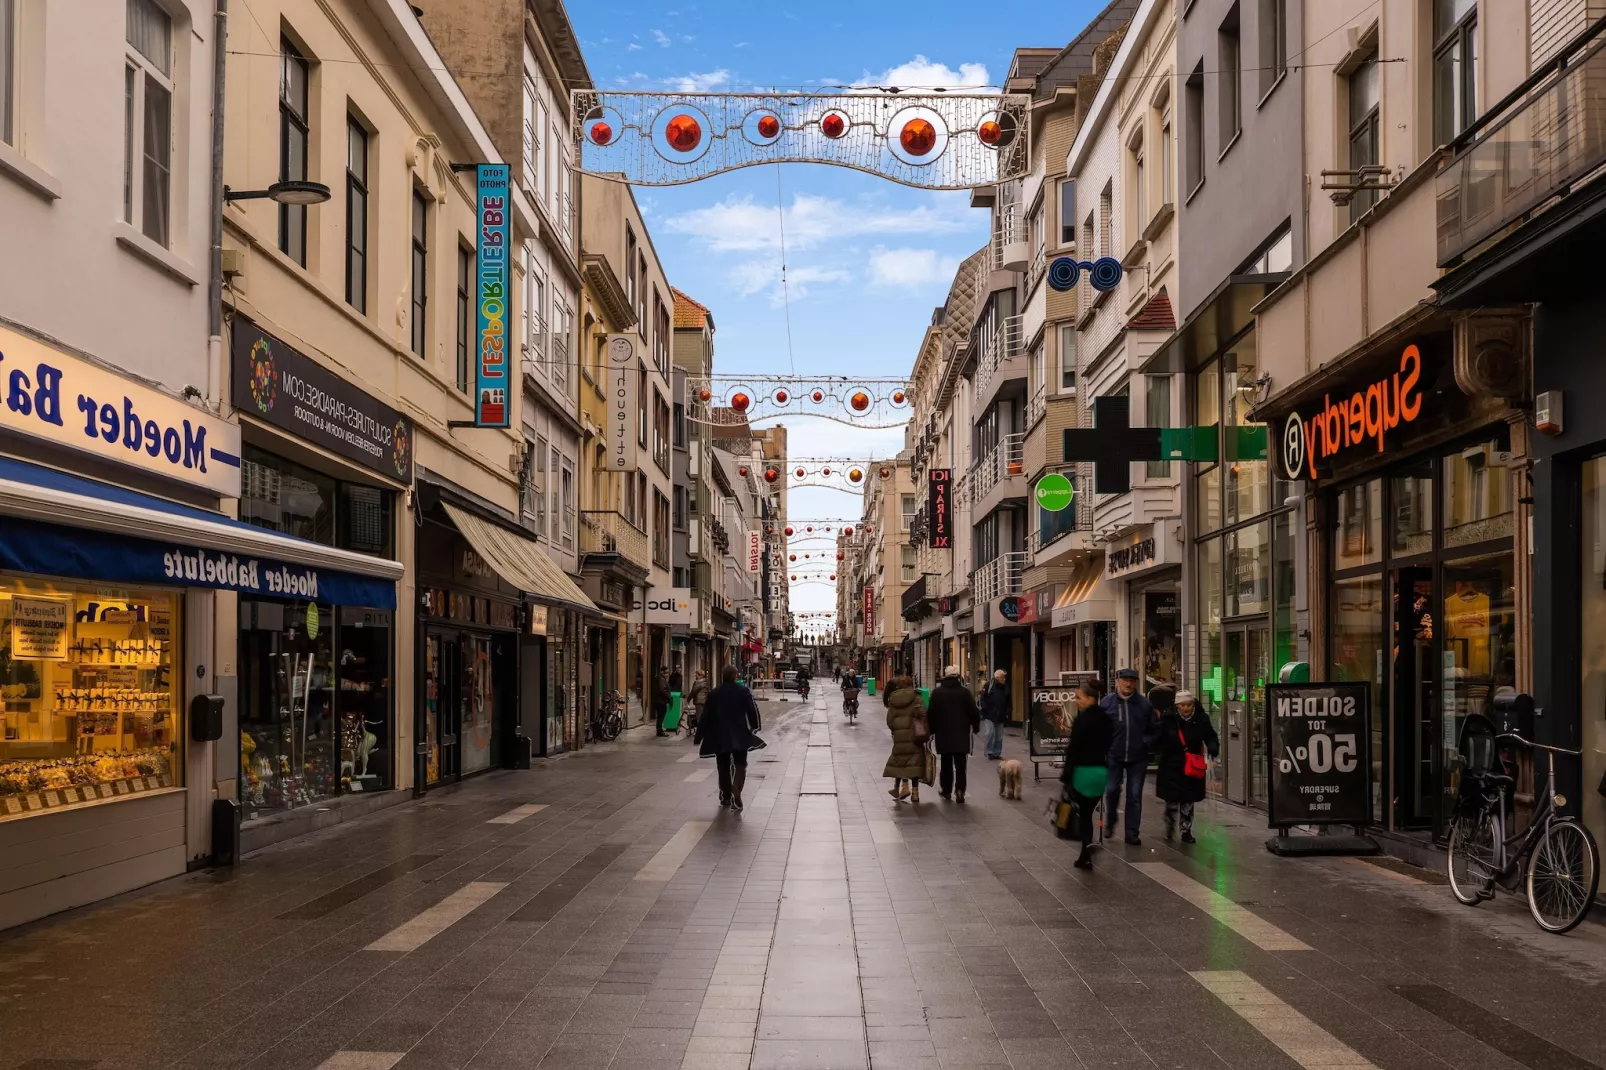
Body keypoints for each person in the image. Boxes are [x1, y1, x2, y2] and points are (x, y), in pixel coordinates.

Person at [1103, 667, 1161, 845]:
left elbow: (1156, 729)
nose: (1128, 684)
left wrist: (1146, 741)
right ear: (1118, 682)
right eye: (1125, 680)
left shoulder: (1144, 704)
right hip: (1114, 755)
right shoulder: (1107, 703)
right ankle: (1110, 822)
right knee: (1112, 790)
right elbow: (1099, 728)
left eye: (1132, 681)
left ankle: (1132, 832)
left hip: (1138, 757)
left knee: (1134, 794)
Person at [694, 664, 764, 811]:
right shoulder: (743, 691)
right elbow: (752, 710)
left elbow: (706, 716)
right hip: (739, 732)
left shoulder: (714, 693)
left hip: (720, 734)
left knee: (723, 765)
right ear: (735, 676)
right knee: (740, 764)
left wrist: (699, 736)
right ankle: (736, 788)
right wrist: (755, 725)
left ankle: (726, 796)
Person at [1154, 689, 1219, 843]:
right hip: (1171, 764)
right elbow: (1159, 738)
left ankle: (1186, 830)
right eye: (1182, 705)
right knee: (1172, 800)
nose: (1186, 708)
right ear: (1177, 706)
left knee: (1188, 800)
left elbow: (1210, 736)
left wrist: (1213, 748)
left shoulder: (1201, 719)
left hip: (1191, 765)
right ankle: (1170, 824)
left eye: (1188, 704)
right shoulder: (1168, 719)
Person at [1060, 679, 1112, 869]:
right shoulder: (1106, 719)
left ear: (1091, 698)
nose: (1076, 700)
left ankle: (1085, 851)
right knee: (1088, 811)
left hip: (1083, 773)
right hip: (1100, 772)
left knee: (1083, 815)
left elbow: (1073, 749)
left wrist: (1066, 776)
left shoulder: (1082, 719)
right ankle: (1086, 850)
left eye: (1078, 697)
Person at [926, 665, 980, 802]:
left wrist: (931, 730)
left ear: (945, 676)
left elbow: (931, 714)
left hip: (943, 735)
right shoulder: (965, 693)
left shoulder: (937, 693)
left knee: (946, 764)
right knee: (961, 765)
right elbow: (974, 712)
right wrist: (976, 726)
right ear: (958, 677)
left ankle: (946, 790)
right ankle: (960, 790)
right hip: (961, 735)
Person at [883, 674, 927, 803]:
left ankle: (904, 786)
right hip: (914, 735)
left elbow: (889, 720)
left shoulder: (893, 699)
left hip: (899, 737)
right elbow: (923, 713)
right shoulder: (917, 698)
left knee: (900, 761)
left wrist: (895, 730)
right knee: (914, 763)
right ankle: (915, 793)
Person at [979, 668, 1009, 760]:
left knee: (999, 736)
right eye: (1002, 677)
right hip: (989, 714)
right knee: (990, 733)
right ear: (997, 677)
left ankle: (996, 753)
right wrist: (985, 710)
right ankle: (989, 752)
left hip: (1001, 714)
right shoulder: (989, 685)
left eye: (1004, 678)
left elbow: (1008, 700)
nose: (1004, 679)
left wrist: (1008, 712)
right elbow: (982, 699)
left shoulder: (1005, 687)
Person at [684, 669, 711, 739]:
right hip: (705, 701)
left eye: (696, 674)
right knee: (702, 716)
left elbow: (693, 692)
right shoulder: (705, 681)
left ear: (700, 675)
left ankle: (700, 733)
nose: (695, 675)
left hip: (699, 701)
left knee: (699, 717)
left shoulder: (698, 682)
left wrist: (688, 699)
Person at [653, 666, 671, 736]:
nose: (667, 674)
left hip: (659, 700)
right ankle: (659, 731)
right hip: (661, 700)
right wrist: (668, 697)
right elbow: (662, 690)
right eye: (667, 673)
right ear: (663, 672)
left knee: (660, 716)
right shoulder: (661, 679)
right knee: (661, 716)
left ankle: (659, 730)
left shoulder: (658, 678)